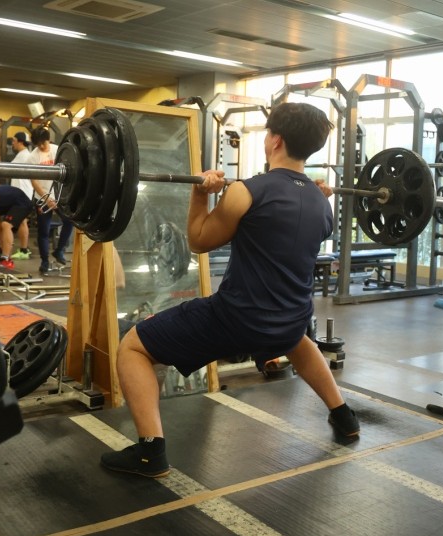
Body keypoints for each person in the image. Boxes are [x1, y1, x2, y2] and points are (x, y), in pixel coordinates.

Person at [100, 102, 360, 479]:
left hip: (236, 321)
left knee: (133, 347)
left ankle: (150, 452)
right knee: (296, 339)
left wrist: (200, 194)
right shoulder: (322, 204)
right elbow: (295, 222)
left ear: (275, 141)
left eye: (267, 133)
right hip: (292, 319)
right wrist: (318, 194)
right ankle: (344, 416)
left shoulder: (245, 191)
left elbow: (198, 241)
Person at [27, 126, 74, 275]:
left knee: (69, 221)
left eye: (43, 142)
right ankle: (44, 262)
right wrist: (46, 198)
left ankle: (59, 250)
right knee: (44, 230)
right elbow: (34, 181)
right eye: (38, 144)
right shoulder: (32, 157)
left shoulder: (58, 150)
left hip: (59, 195)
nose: (41, 146)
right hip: (42, 197)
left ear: (48, 140)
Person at [8, 132, 33, 260]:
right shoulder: (21, 154)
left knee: (22, 221)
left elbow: (9, 169)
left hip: (23, 193)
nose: (12, 143)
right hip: (19, 193)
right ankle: (23, 249)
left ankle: (24, 250)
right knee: (21, 222)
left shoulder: (24, 155)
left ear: (20, 141)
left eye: (14, 140)